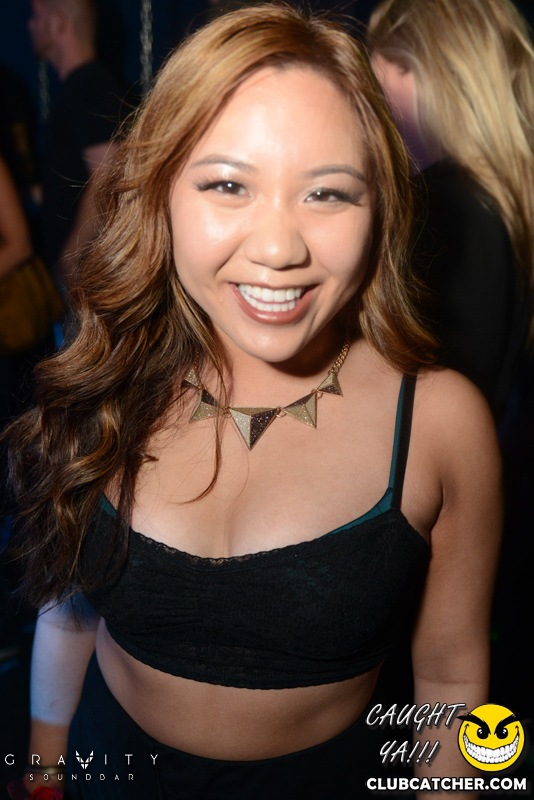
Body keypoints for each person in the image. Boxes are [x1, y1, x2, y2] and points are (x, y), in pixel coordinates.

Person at [7, 5, 502, 799]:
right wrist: (41, 768)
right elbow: (68, 610)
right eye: (229, 184)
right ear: (162, 191)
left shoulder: (441, 423)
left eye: (328, 194)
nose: (277, 249)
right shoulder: (108, 375)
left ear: (381, 210)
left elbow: (450, 681)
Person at [368, 0, 534, 422]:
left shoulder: (441, 209)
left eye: (376, 84)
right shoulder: (501, 203)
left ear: (421, 70)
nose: (373, 109)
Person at [27, 0, 121, 298]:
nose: (30, 25)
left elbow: (108, 174)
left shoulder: (89, 87)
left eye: (37, 16)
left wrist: (71, 257)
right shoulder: (82, 88)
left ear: (59, 24)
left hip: (86, 277)